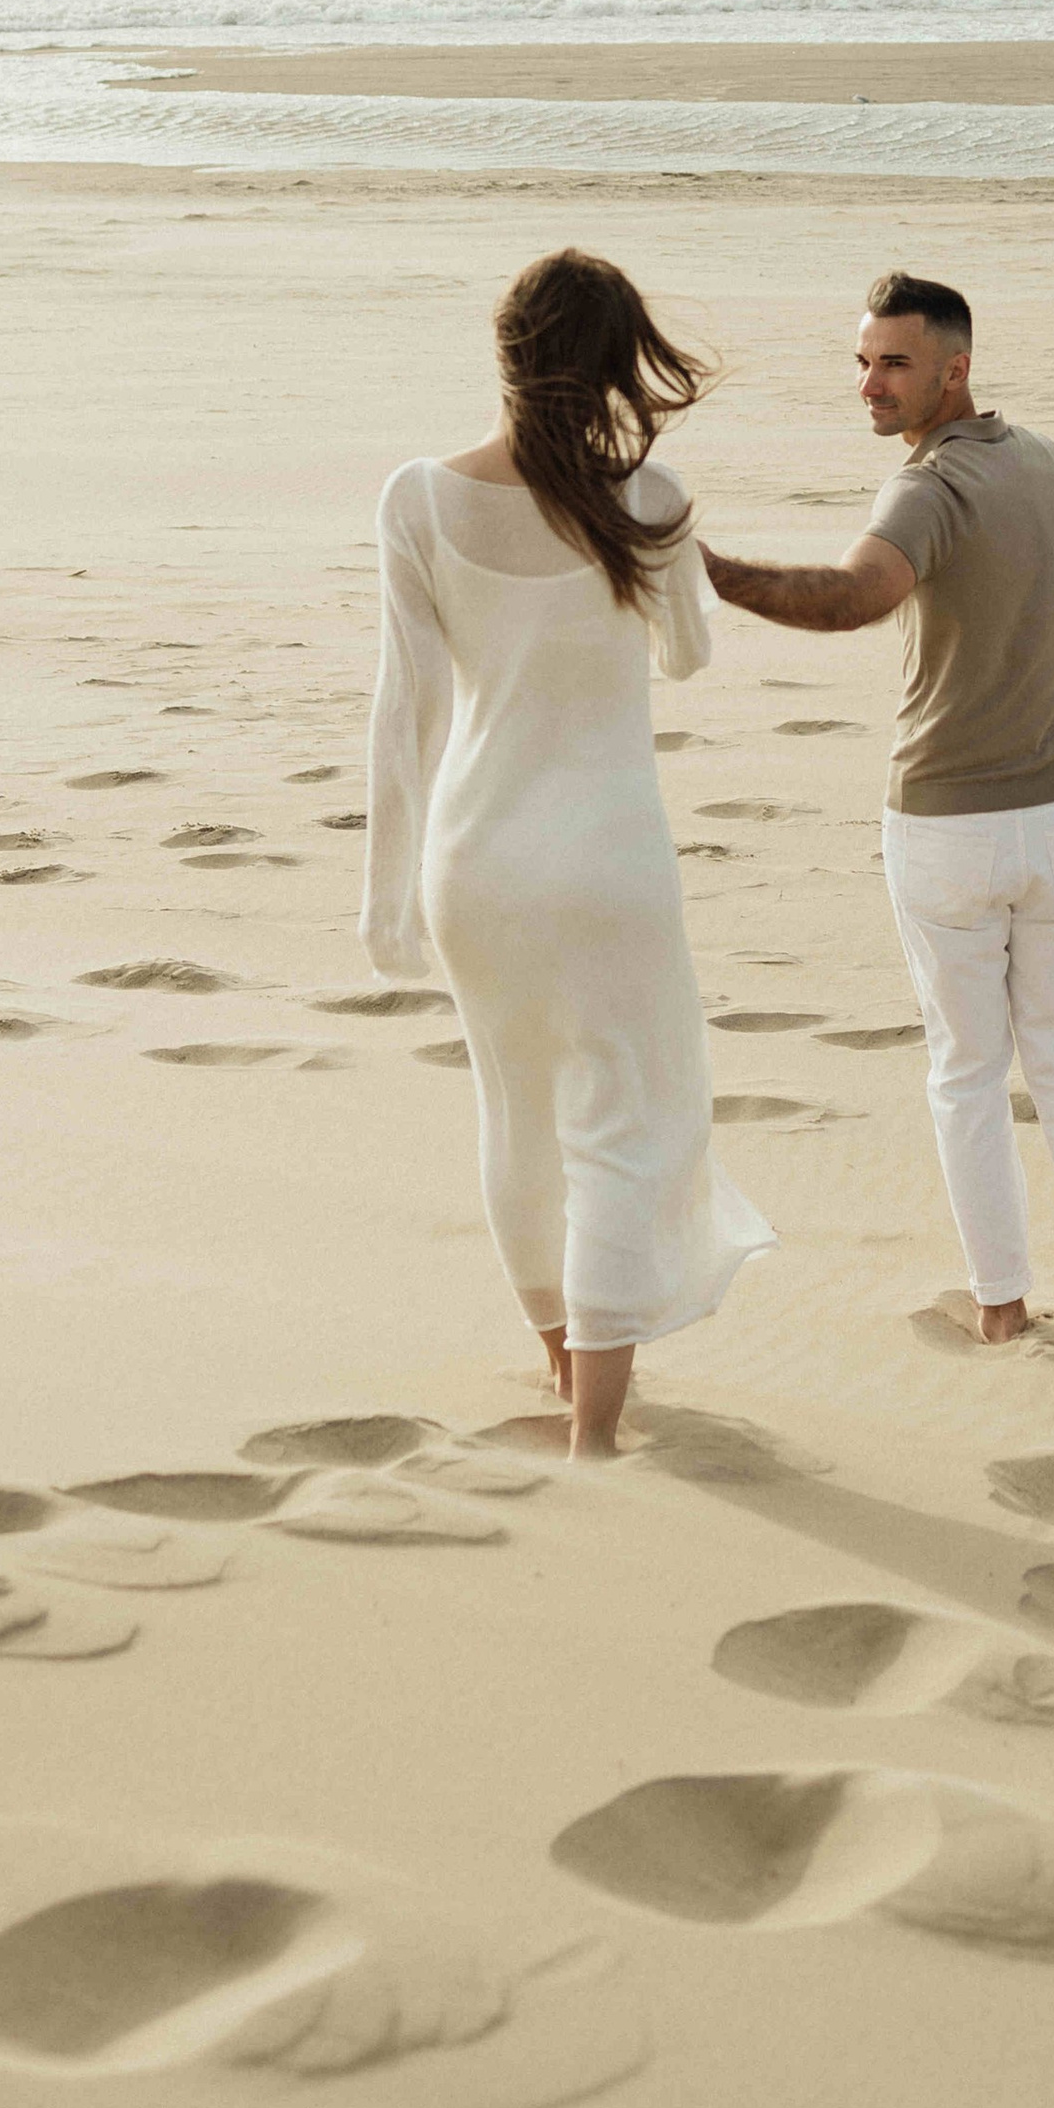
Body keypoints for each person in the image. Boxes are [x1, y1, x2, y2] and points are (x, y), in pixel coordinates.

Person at [699, 268, 1054, 1367]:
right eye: (862, 361)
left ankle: (1002, 1304)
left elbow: (855, 597)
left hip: (947, 827)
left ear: (954, 369)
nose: (869, 383)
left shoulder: (925, 492)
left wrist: (711, 571)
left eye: (893, 363)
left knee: (967, 1070)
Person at [362, 248, 774, 1457]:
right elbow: (687, 655)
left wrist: (384, 902)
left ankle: (559, 1357)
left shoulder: (417, 498)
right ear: (613, 367)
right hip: (607, 863)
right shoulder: (650, 501)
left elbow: (405, 713)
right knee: (618, 1127)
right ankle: (597, 1424)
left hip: (474, 858)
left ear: (506, 358)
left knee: (515, 1115)